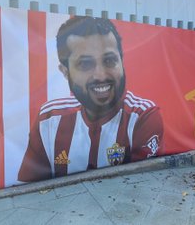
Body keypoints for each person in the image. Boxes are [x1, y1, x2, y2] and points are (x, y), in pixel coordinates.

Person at [18, 16, 163, 182]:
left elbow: (142, 186)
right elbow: (30, 189)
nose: (100, 75)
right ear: (65, 71)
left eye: (109, 60)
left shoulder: (141, 116)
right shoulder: (49, 119)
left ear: (121, 62)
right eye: (85, 64)